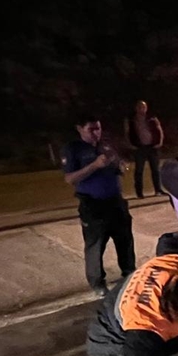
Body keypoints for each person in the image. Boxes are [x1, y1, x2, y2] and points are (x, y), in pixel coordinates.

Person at [63, 113, 135, 297]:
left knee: (125, 240)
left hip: (115, 201)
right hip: (92, 205)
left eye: (98, 128)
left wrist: (121, 166)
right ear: (80, 129)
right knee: (95, 245)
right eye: (91, 129)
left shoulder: (106, 145)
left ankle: (129, 275)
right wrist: (94, 165)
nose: (96, 133)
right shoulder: (74, 149)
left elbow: (118, 166)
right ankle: (97, 283)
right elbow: (70, 178)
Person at [124, 99, 165, 197]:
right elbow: (127, 132)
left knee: (155, 169)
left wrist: (160, 141)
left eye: (143, 107)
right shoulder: (131, 119)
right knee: (139, 170)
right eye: (140, 107)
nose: (142, 109)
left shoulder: (152, 118)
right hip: (139, 147)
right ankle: (139, 192)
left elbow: (159, 129)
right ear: (136, 108)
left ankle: (158, 190)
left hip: (152, 146)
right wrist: (130, 143)